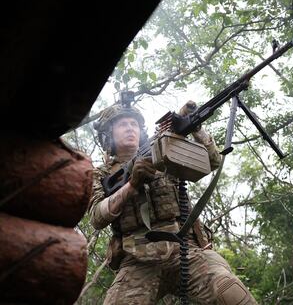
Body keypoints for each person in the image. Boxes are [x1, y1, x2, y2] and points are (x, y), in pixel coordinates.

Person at [89, 100, 258, 305]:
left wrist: (193, 127)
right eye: (123, 124)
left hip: (185, 249)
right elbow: (97, 217)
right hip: (137, 259)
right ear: (108, 134)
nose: (130, 128)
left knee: (231, 294)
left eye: (134, 124)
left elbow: (212, 161)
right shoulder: (100, 175)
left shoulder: (161, 149)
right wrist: (132, 185)